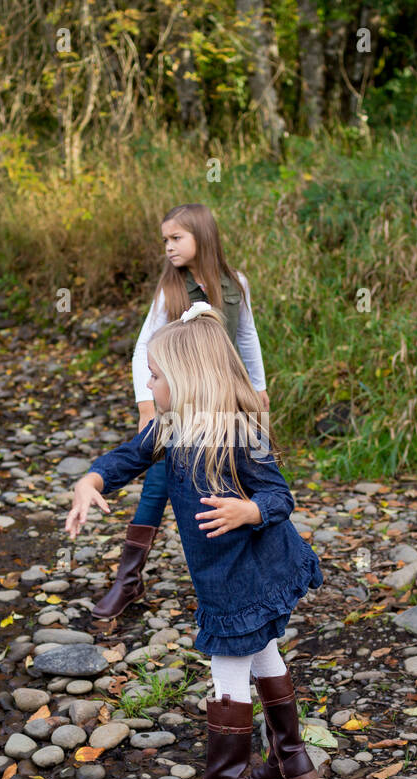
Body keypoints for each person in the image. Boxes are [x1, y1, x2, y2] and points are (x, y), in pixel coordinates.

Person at [66, 305, 320, 779]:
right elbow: (126, 457)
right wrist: (91, 481)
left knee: (228, 667)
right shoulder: (170, 427)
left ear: (185, 377)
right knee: (265, 651)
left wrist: (248, 509)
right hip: (228, 571)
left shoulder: (236, 430)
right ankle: (291, 758)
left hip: (250, 570)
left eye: (155, 375)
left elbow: (279, 497)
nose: (150, 383)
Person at [92, 202, 270, 621]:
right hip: (177, 409)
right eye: (165, 240)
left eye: (176, 238)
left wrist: (259, 391)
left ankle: (244, 575)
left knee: (237, 482)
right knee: (156, 486)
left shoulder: (234, 284)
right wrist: (146, 405)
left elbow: (247, 339)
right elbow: (142, 348)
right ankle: (129, 578)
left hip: (225, 406)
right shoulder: (169, 291)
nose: (168, 247)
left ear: (202, 237)